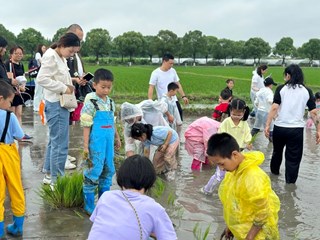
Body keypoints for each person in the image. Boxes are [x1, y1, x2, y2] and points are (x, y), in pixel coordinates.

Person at [207, 133, 280, 240]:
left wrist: (249, 237)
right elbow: (235, 203)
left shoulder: (253, 177)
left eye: (221, 164)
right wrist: (230, 227)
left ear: (235, 155)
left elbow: (263, 213)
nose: (221, 169)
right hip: (244, 230)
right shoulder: (234, 172)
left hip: (259, 235)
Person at [88, 154, 177, 240]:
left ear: (121, 177)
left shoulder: (106, 196)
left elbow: (101, 225)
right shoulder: (154, 208)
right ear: (150, 181)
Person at [36, 32, 81, 188]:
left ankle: (49, 173)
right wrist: (63, 88)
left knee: (54, 142)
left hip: (58, 103)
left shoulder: (59, 56)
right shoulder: (51, 56)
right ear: (62, 45)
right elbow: (41, 79)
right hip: (56, 104)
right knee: (60, 144)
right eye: (71, 51)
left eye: (74, 52)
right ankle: (58, 180)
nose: (72, 55)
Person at [265, 64, 320, 184]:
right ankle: (290, 185)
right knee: (293, 158)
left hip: (280, 128)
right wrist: (318, 130)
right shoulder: (307, 91)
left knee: (277, 152)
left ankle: (274, 177)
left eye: (285, 75)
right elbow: (314, 113)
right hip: (296, 130)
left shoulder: (280, 89)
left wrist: (267, 125)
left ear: (288, 75)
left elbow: (274, 108)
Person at [80, 68, 121, 215]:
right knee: (94, 169)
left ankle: (103, 203)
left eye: (109, 87)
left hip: (108, 141)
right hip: (95, 142)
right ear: (94, 85)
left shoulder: (110, 103)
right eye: (103, 87)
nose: (106, 90)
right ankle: (89, 204)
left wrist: (117, 137)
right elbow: (86, 126)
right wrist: (85, 147)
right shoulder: (91, 102)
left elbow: (113, 122)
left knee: (109, 168)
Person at [201, 98, 252, 195]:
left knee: (237, 175)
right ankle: (207, 190)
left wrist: (248, 143)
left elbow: (247, 136)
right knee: (219, 175)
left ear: (244, 112)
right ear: (230, 110)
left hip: (239, 154)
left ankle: (232, 194)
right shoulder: (226, 122)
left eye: (239, 115)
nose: (236, 117)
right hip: (226, 153)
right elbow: (221, 136)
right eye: (234, 114)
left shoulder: (244, 124)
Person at [0, 81, 25, 238]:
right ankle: (17, 227)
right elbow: (20, 136)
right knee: (15, 188)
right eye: (10, 101)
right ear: (1, 98)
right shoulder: (10, 116)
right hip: (8, 152)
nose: (10, 105)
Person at [148, 53, 189, 124]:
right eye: (170, 63)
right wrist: (150, 101)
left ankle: (178, 135)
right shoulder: (156, 73)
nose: (171, 65)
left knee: (179, 122)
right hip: (163, 102)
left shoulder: (173, 71)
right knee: (165, 122)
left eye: (172, 63)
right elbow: (151, 87)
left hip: (174, 100)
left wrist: (183, 96)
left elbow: (177, 84)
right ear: (164, 61)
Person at [5, 46, 32, 141]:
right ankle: (11, 133)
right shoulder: (8, 64)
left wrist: (23, 87)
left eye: (21, 53)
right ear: (11, 54)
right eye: (17, 53)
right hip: (11, 91)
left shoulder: (20, 65)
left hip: (19, 91)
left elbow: (23, 78)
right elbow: (9, 79)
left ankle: (20, 134)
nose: (20, 55)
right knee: (12, 113)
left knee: (19, 113)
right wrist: (17, 87)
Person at [251, 77, 277, 141]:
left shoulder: (260, 91)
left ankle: (248, 139)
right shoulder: (269, 92)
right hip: (267, 112)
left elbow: (256, 103)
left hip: (259, 112)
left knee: (256, 127)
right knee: (271, 128)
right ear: (270, 85)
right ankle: (271, 143)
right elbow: (270, 101)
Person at [33, 44, 47, 112]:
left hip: (44, 75)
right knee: (38, 91)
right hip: (38, 74)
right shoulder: (38, 54)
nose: (45, 49)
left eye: (45, 48)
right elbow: (42, 62)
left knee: (43, 92)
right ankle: (36, 107)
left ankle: (42, 106)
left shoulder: (45, 55)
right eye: (43, 48)